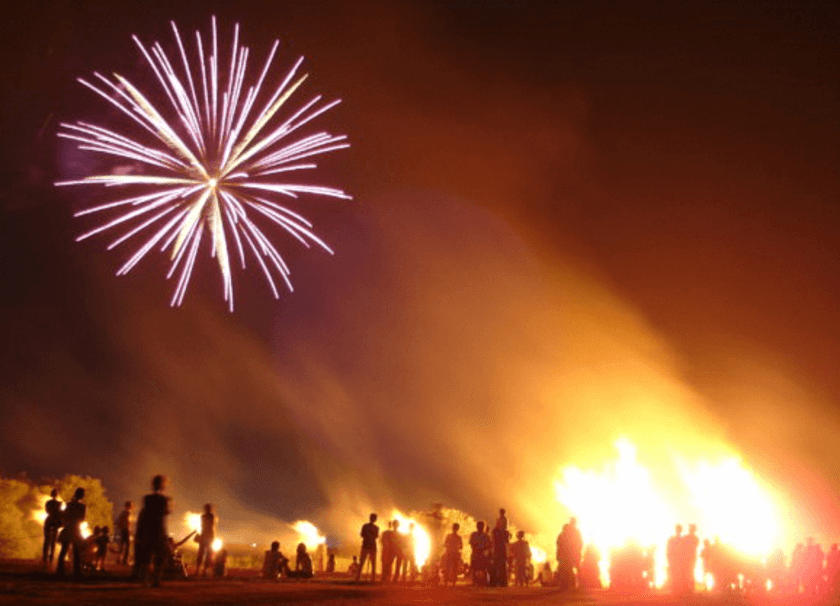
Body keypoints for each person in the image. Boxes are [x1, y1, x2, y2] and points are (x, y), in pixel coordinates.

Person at [134, 475, 171, 587]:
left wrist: (140, 531)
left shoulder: (147, 499)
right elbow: (165, 514)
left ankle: (145, 581)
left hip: (148, 530)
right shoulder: (164, 500)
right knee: (160, 556)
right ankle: (156, 580)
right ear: (162, 485)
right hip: (159, 530)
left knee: (147, 556)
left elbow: (145, 515)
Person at [56, 487, 86, 579]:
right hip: (75, 529)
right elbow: (82, 519)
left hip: (68, 528)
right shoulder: (82, 507)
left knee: (64, 550)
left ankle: (60, 571)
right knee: (76, 552)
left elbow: (64, 516)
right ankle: (76, 572)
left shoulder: (69, 505)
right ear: (82, 496)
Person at [355, 513, 379, 582]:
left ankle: (372, 578)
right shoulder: (366, 526)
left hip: (371, 546)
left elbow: (375, 536)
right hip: (367, 546)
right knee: (362, 562)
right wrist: (369, 537)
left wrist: (369, 536)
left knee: (372, 563)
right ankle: (359, 577)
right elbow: (362, 534)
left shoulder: (375, 527)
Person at [195, 503, 217, 577]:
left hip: (207, 537)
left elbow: (207, 526)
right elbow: (205, 526)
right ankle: (200, 570)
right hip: (207, 536)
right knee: (204, 553)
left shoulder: (209, 516)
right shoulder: (207, 516)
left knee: (205, 554)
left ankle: (202, 570)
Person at [42, 489, 63, 566]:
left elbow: (47, 511)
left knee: (47, 541)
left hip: (49, 522)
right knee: (52, 541)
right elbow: (60, 513)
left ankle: (45, 557)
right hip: (55, 522)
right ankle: (50, 556)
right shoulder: (58, 503)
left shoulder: (48, 503)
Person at [469, 521, 491, 586]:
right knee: (474, 567)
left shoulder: (485, 535)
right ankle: (474, 581)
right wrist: (475, 549)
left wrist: (484, 549)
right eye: (479, 526)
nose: (480, 527)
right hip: (476, 551)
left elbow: (489, 544)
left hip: (482, 552)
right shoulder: (474, 534)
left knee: (483, 567)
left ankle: (484, 581)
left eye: (481, 526)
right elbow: (471, 544)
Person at [666, 524, 683, 592]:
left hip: (676, 559)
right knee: (675, 573)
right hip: (675, 559)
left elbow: (668, 550)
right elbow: (668, 550)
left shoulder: (673, 539)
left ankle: (675, 587)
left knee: (676, 573)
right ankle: (675, 587)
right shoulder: (675, 539)